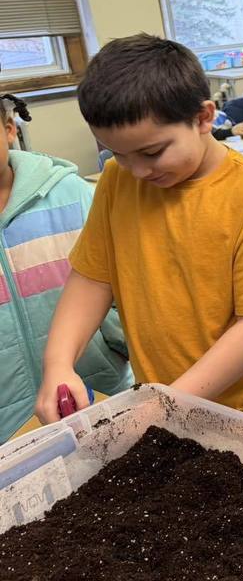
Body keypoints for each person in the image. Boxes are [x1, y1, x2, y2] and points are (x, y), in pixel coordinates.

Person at [35, 35, 243, 431]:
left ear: (203, 118)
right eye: (117, 154)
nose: (137, 170)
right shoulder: (119, 180)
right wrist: (58, 363)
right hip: (167, 399)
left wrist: (168, 402)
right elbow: (93, 277)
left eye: (151, 153)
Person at [0, 95, 132, 441]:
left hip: (99, 399)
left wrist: (116, 345)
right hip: (8, 432)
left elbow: (122, 281)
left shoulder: (71, 194)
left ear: (9, 129)